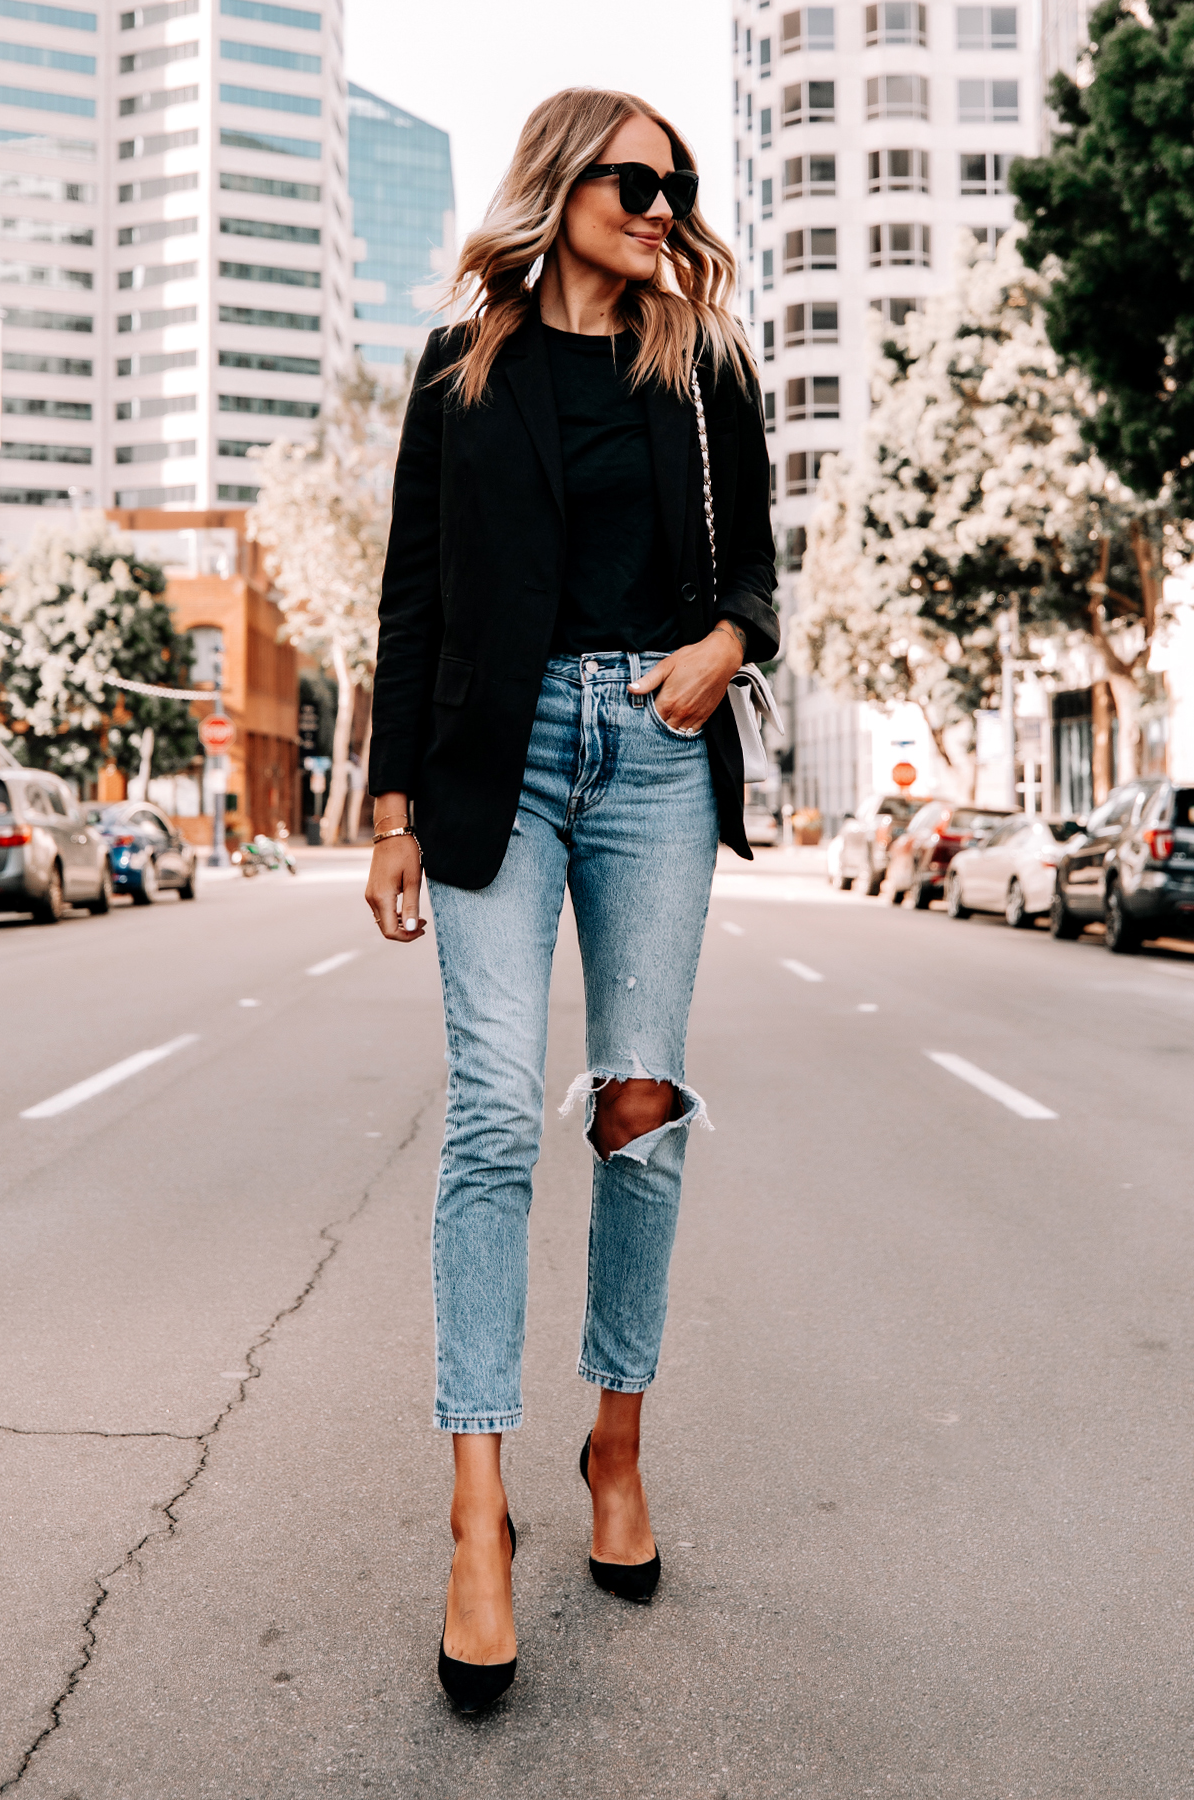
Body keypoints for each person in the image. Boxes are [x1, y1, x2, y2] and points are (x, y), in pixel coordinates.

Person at [365, 86, 778, 1712]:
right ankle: (480, 1515)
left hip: (658, 751)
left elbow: (755, 564)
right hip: (498, 755)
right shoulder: (461, 369)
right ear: (562, 179)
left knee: (640, 1111)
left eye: (677, 185)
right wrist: (390, 806)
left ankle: (615, 1438)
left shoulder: (701, 368)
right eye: (634, 179)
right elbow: (410, 589)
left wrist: (726, 646)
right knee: (484, 1114)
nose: (661, 205)